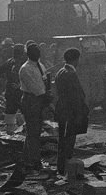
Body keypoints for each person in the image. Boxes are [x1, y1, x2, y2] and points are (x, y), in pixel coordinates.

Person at [53, 47, 89, 175]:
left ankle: (62, 167)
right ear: (76, 59)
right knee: (68, 141)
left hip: (63, 110)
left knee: (63, 140)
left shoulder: (60, 72)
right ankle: (66, 168)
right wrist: (79, 113)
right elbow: (75, 97)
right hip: (70, 112)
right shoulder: (70, 74)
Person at [18, 42, 48, 173]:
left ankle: (27, 158)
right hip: (31, 99)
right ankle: (34, 161)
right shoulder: (25, 68)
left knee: (35, 131)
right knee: (33, 131)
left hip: (39, 99)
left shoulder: (40, 66)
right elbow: (35, 88)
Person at [0, 43, 26, 134]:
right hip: (21, 91)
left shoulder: (9, 61)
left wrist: (7, 79)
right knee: (25, 112)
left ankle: (10, 134)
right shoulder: (25, 63)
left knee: (10, 112)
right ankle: (23, 133)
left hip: (10, 90)